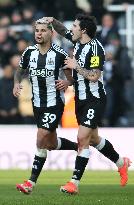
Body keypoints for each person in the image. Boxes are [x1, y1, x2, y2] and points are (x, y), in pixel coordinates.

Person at [43, 14, 131, 194]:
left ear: (83, 30)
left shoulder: (96, 48)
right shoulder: (77, 42)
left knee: (82, 138)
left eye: (74, 26)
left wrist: (76, 66)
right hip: (80, 100)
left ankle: (74, 183)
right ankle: (121, 163)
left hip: (95, 99)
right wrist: (52, 21)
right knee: (94, 139)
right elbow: (62, 30)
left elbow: (94, 76)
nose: (71, 29)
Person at [13, 19, 78, 194]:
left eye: (42, 30)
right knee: (49, 143)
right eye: (37, 30)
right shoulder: (29, 52)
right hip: (37, 103)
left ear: (51, 33)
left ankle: (30, 182)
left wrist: (66, 82)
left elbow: (70, 78)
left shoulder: (59, 53)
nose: (38, 34)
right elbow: (19, 70)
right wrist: (16, 83)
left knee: (41, 138)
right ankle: (77, 146)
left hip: (54, 103)